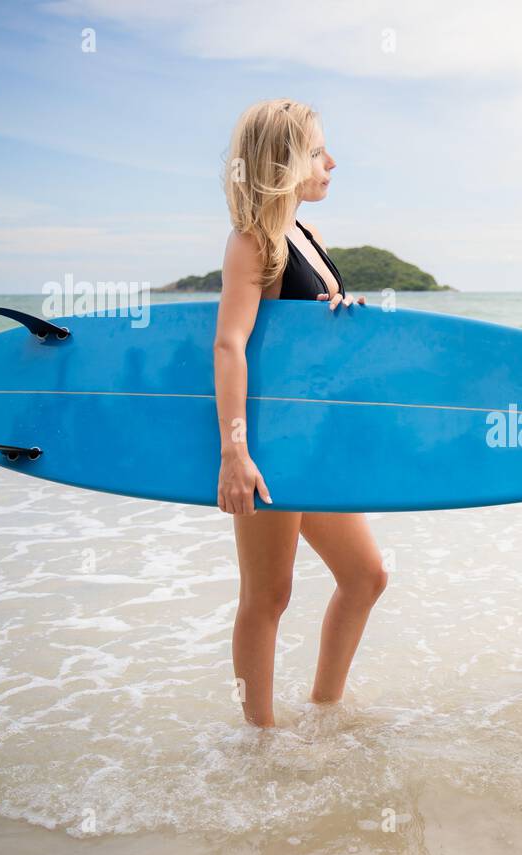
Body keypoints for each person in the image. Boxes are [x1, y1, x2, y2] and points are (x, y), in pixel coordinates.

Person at [213, 99, 386, 727]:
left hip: (310, 443)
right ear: (282, 162)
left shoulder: (305, 236)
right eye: (317, 151)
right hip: (267, 445)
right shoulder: (253, 241)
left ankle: (324, 712)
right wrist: (235, 451)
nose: (331, 162)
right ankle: (256, 743)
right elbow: (230, 343)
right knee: (268, 595)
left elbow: (297, 336)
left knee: (366, 576)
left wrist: (342, 314)